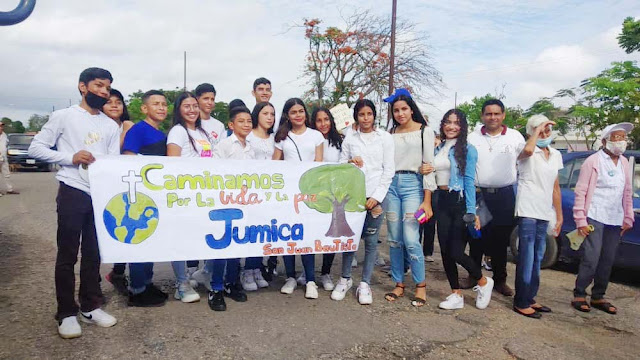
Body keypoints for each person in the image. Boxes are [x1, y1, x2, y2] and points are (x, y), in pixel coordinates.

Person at [28, 67, 119, 339]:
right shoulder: (63, 116)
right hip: (72, 189)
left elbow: (112, 162)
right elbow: (36, 148)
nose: (103, 92)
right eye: (99, 86)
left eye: (107, 87)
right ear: (83, 87)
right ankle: (66, 312)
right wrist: (70, 157)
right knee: (68, 253)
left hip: (99, 194)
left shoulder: (110, 125)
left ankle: (90, 306)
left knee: (94, 253)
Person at [332, 99, 394, 304]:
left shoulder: (384, 138)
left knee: (370, 241)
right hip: (354, 196)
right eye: (361, 115)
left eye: (369, 114)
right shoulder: (350, 138)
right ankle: (345, 278)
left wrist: (377, 197)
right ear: (356, 117)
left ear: (374, 116)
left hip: (376, 197)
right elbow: (341, 163)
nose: (365, 118)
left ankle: (365, 283)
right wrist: (350, 162)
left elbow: (388, 170)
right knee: (350, 240)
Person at [432, 109, 494, 311]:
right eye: (448, 122)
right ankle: (456, 293)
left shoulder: (468, 149)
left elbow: (468, 181)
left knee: (456, 251)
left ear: (463, 127)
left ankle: (483, 282)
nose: (451, 126)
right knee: (445, 251)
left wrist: (471, 211)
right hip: (440, 200)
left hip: (458, 201)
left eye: (456, 123)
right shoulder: (438, 147)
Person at [571, 122, 634, 315]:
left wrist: (628, 216)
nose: (621, 141)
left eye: (623, 138)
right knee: (592, 256)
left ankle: (598, 295)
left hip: (614, 218)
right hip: (594, 215)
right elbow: (580, 191)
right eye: (617, 137)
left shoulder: (624, 162)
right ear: (605, 140)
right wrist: (580, 219)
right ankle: (579, 294)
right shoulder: (593, 161)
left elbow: (627, 191)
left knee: (607, 258)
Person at [382, 88, 436, 307]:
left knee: (411, 239)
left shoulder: (425, 131)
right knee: (394, 239)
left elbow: (428, 167)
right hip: (392, 186)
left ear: (411, 109)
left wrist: (427, 200)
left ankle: (420, 285)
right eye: (396, 110)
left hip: (414, 186)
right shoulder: (389, 134)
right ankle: (398, 283)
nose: (400, 113)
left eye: (404, 109)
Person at [467, 99, 525, 296]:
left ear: (503, 115)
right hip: (479, 194)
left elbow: (525, 161)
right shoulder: (472, 138)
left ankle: (500, 280)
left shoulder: (515, 137)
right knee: (476, 238)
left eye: (496, 114)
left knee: (501, 240)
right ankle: (474, 275)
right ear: (482, 116)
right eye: (489, 114)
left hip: (504, 194)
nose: (493, 117)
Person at [121, 90, 170, 307]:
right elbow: (128, 159)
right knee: (140, 239)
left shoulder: (163, 133)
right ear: (144, 108)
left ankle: (147, 283)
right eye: (156, 104)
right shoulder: (138, 130)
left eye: (164, 104)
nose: (161, 108)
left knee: (151, 240)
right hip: (141, 193)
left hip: (156, 193)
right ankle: (137, 289)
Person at [511, 114, 563, 318]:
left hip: (544, 211)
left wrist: (559, 215)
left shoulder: (556, 154)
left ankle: (530, 296)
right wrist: (537, 129)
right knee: (527, 255)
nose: (545, 132)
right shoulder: (525, 149)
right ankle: (521, 300)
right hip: (527, 209)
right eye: (540, 129)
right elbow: (529, 150)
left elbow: (556, 188)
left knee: (538, 256)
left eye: (547, 129)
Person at [166, 92, 215, 304]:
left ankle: (204, 273)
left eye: (195, 105)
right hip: (184, 194)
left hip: (204, 193)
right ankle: (181, 283)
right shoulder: (177, 132)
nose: (192, 110)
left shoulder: (202, 132)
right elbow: (172, 162)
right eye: (187, 106)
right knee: (180, 239)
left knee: (208, 235)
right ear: (178, 110)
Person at [273, 98, 324, 299]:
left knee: (307, 235)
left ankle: (311, 280)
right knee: (289, 235)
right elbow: (274, 164)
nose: (298, 115)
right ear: (287, 115)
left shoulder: (316, 135)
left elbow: (319, 163)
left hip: (309, 192)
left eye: (301, 111)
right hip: (288, 193)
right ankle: (290, 277)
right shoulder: (282, 137)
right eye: (293, 112)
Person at [207, 106, 254, 311]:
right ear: (231, 125)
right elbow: (215, 172)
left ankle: (231, 283)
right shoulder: (224, 146)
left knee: (238, 244)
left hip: (245, 203)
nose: (246, 124)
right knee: (222, 246)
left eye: (249, 121)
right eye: (241, 121)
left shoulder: (251, 148)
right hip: (226, 201)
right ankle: (215, 288)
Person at [188, 83, 229, 286]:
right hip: (193, 183)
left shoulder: (219, 126)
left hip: (214, 183)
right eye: (206, 99)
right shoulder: (189, 125)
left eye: (213, 99)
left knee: (212, 227)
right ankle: (190, 271)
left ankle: (208, 270)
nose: (210, 103)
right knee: (194, 226)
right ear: (197, 99)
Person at [240, 101, 276, 290]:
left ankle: (256, 268)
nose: (269, 117)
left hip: (269, 192)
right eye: (265, 114)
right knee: (249, 231)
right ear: (257, 115)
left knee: (262, 232)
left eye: (272, 114)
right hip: (250, 191)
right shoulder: (249, 136)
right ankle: (246, 271)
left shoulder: (275, 138)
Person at [101, 88, 134, 295]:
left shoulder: (127, 126)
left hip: (123, 183)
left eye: (119, 102)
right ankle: (94, 281)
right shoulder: (98, 126)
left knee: (127, 228)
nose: (114, 105)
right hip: (102, 183)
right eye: (109, 102)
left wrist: (126, 128)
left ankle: (119, 272)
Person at [308, 106, 344, 292]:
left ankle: (326, 272)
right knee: (312, 233)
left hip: (334, 193)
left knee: (331, 233)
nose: (323, 124)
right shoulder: (309, 139)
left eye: (326, 119)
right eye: (319, 120)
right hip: (315, 192)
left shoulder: (339, 141)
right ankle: (308, 274)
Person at [0, 122, 18, 195]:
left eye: (2, 126)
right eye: (0, 126)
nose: (1, 128)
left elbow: (6, 145)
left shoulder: (4, 135)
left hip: (3, 157)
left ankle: (9, 189)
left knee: (6, 174)